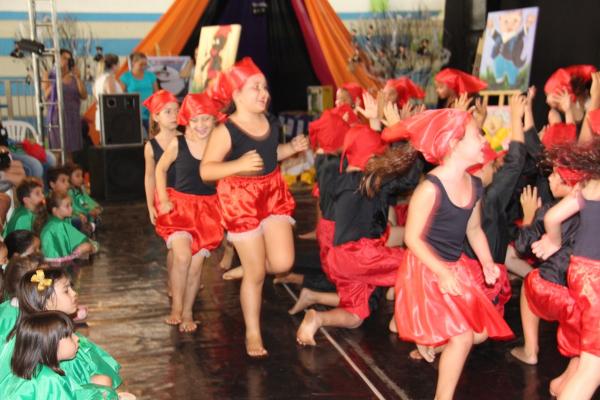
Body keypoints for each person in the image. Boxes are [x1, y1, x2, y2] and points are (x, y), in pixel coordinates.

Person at [389, 109, 513, 400]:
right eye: (477, 135)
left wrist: (486, 262)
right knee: (463, 336)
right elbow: (411, 239)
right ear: (454, 143)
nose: (484, 139)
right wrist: (442, 272)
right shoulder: (430, 189)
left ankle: (434, 341)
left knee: (480, 332)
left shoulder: (474, 185)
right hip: (426, 269)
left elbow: (474, 230)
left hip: (453, 267)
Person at [201, 57, 308, 357]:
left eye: (265, 87)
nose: (264, 93)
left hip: (272, 193)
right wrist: (237, 165)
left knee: (283, 263)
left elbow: (271, 153)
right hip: (241, 200)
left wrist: (291, 149)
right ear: (236, 94)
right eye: (255, 87)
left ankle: (249, 267)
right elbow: (207, 170)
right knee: (257, 275)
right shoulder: (226, 131)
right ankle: (252, 332)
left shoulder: (270, 122)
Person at [296, 125, 421, 345]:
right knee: (419, 263)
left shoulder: (341, 179)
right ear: (371, 157)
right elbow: (408, 179)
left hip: (340, 257)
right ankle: (402, 321)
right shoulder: (371, 180)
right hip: (362, 255)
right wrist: (409, 137)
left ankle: (318, 319)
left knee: (355, 316)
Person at [531, 138, 600, 399]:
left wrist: (553, 241)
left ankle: (562, 386)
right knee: (593, 369)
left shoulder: (588, 182)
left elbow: (552, 217)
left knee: (588, 347)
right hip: (598, 280)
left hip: (580, 272)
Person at [154, 93, 224, 332]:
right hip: (180, 209)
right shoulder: (178, 143)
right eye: (195, 120)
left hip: (207, 213)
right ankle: (176, 308)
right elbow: (160, 169)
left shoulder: (219, 146)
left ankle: (187, 312)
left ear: (214, 119)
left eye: (206, 119)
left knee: (195, 268)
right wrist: (163, 199)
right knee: (182, 257)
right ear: (186, 120)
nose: (201, 125)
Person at [142, 90, 179, 297]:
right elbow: (149, 177)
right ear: (156, 117)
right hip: (165, 199)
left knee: (192, 243)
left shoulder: (186, 138)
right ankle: (174, 281)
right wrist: (150, 205)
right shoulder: (151, 146)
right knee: (174, 245)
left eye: (176, 110)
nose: (174, 115)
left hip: (187, 197)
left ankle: (187, 277)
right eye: (168, 112)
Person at [43, 49, 88, 158]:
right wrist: (59, 77)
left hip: (72, 115)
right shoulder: (49, 74)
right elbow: (46, 95)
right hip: (57, 116)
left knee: (71, 153)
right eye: (64, 58)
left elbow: (84, 95)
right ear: (56, 59)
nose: (67, 61)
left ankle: (69, 168)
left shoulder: (74, 76)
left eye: (69, 59)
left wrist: (78, 78)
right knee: (58, 150)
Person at [39, 191, 96, 264]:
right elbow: (91, 245)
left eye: (71, 205)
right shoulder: (59, 225)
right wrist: (88, 246)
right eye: (67, 206)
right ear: (55, 210)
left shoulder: (52, 222)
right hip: (58, 266)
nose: (71, 209)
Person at [120, 52, 159, 135]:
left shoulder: (150, 76)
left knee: (153, 136)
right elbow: (120, 97)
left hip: (149, 112)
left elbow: (157, 93)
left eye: (145, 64)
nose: (143, 67)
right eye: (141, 64)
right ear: (133, 63)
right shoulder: (126, 77)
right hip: (133, 113)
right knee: (135, 136)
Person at [93, 53, 123, 131]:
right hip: (111, 118)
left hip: (102, 115)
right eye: (118, 64)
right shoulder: (109, 78)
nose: (119, 66)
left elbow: (96, 100)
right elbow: (112, 100)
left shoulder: (98, 79)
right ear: (114, 66)